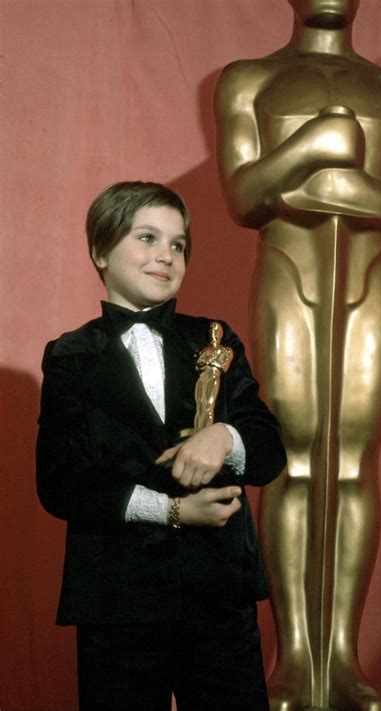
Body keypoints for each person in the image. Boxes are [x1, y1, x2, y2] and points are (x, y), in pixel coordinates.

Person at [214, 1, 381, 709]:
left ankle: (342, 655)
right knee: (293, 458)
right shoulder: (248, 79)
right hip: (289, 278)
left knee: (354, 463)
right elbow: (244, 196)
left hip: (367, 285)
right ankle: (293, 655)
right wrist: (315, 146)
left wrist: (331, 183)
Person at [36, 181, 287, 711]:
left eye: (178, 245)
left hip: (219, 595)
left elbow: (268, 451)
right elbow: (61, 485)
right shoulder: (70, 356)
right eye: (147, 238)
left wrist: (225, 436)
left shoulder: (216, 339)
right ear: (101, 250)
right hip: (116, 599)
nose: (166, 256)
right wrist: (173, 511)